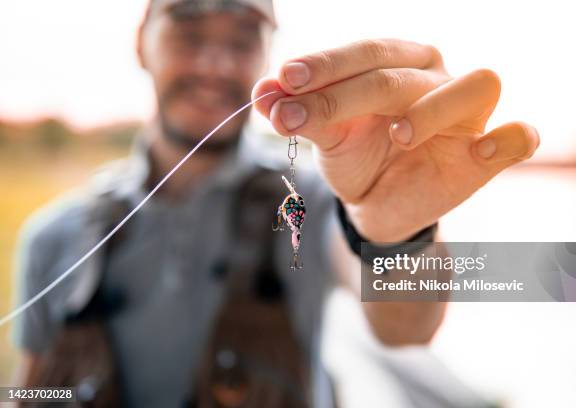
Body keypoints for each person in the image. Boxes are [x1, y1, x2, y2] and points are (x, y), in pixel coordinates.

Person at [11, 0, 539, 406]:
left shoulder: (305, 198)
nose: (215, 63)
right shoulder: (52, 235)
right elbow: (31, 390)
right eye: (189, 32)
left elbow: (407, 327)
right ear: (141, 44)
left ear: (266, 53)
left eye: (243, 39)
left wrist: (397, 231)